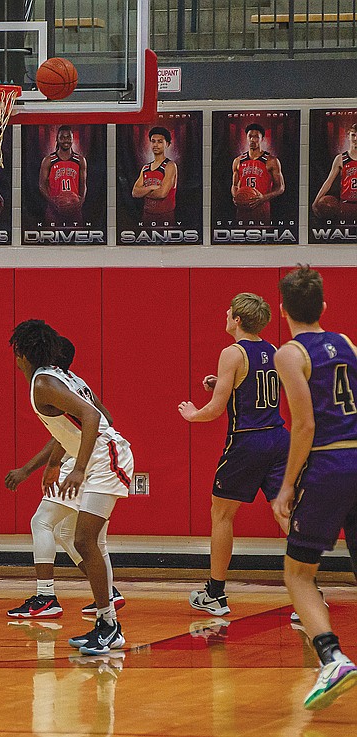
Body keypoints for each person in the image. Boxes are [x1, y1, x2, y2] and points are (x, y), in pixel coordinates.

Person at [10, 320, 134, 654]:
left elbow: (94, 419)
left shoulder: (45, 383)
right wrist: (55, 462)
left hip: (103, 457)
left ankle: (107, 623)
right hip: (97, 455)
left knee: (83, 538)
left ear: (21, 352)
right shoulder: (58, 378)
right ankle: (107, 621)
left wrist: (78, 468)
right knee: (79, 537)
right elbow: (96, 415)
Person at [271, 265, 357, 711]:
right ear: (324, 307)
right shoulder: (346, 343)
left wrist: (286, 487)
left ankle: (331, 657)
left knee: (298, 572)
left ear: (282, 310)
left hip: (329, 461)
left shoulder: (289, 354)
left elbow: (304, 424)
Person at [178, 293, 290, 615]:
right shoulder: (272, 350)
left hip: (247, 442)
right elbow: (258, 388)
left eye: (229, 312)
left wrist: (192, 413)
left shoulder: (232, 353)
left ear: (238, 319)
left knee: (222, 514)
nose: (225, 315)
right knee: (285, 513)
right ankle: (308, 589)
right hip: (278, 439)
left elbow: (214, 411)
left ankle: (215, 593)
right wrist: (222, 383)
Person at [231, 123, 285, 222]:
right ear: (246, 138)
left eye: (256, 137)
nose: (252, 139)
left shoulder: (271, 161)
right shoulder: (238, 161)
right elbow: (234, 185)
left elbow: (280, 188)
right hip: (242, 209)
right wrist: (236, 197)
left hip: (262, 208)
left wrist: (263, 198)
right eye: (250, 136)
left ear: (262, 139)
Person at [38, 126, 87, 225]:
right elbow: (41, 185)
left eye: (68, 137)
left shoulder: (80, 160)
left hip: (74, 208)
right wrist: (52, 202)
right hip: (54, 209)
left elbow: (83, 185)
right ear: (57, 139)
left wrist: (80, 202)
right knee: (52, 238)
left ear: (72, 139)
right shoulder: (48, 160)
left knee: (78, 238)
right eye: (62, 137)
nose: (66, 140)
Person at [131, 126, 177, 224]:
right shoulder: (145, 168)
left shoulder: (170, 165)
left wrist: (143, 191)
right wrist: (152, 187)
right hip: (147, 215)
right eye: (153, 141)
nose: (156, 145)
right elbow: (135, 193)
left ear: (167, 144)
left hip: (165, 217)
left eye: (160, 141)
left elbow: (162, 194)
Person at [311, 122, 357, 218]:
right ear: (348, 136)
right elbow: (329, 181)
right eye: (353, 135)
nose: (355, 139)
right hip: (346, 204)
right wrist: (316, 201)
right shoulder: (340, 158)